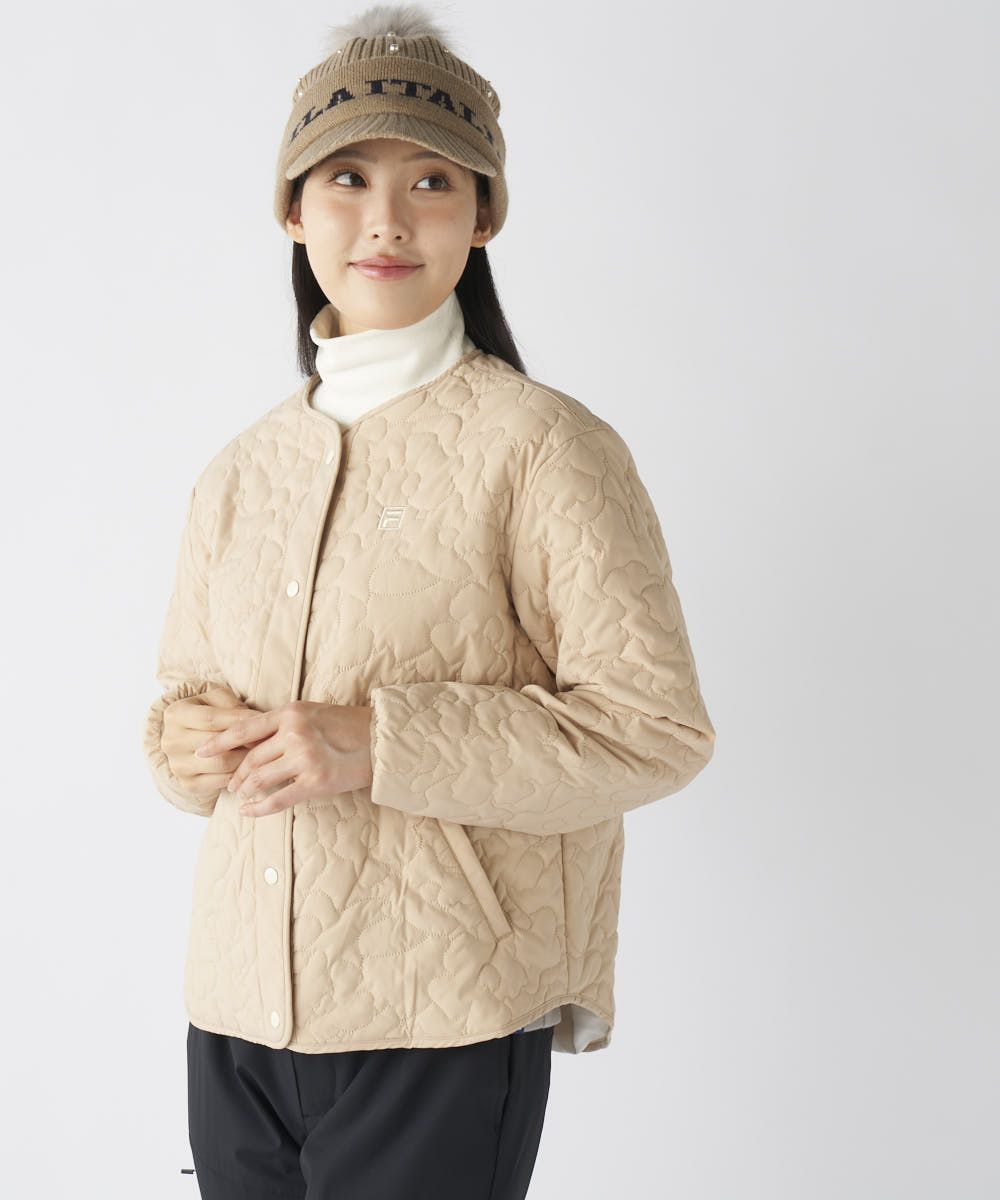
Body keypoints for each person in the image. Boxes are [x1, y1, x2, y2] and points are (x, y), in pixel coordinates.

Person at [140, 5, 716, 1198]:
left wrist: (376, 742)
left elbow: (653, 730)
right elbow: (182, 715)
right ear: (293, 207)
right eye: (347, 177)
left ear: (483, 215)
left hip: (443, 1015)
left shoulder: (543, 447)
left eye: (433, 181)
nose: (387, 220)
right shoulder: (238, 472)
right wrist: (184, 747)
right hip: (236, 1015)